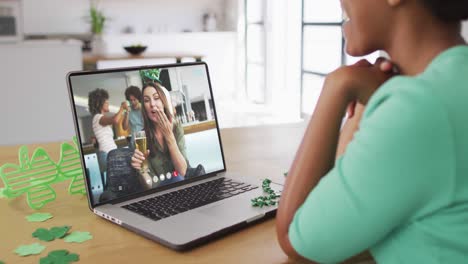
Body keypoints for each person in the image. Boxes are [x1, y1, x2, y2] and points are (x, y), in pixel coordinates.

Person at [276, 0, 468, 263]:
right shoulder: (450, 83)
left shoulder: (420, 107)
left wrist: (338, 86)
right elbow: (343, 221)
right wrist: (371, 107)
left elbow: (298, 241)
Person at [130, 82, 189, 189]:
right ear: (145, 108)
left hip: (182, 187)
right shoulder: (141, 139)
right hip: (160, 192)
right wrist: (142, 170)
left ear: (163, 103)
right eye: (147, 100)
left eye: (156, 98)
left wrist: (169, 136)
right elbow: (149, 185)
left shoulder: (176, 128)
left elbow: (182, 171)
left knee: (178, 179)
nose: (152, 104)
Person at [88, 88, 127, 173]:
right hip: (107, 155)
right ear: (99, 104)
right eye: (106, 102)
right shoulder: (98, 117)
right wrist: (122, 108)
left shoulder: (99, 118)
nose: (108, 103)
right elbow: (115, 120)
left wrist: (126, 111)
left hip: (109, 154)